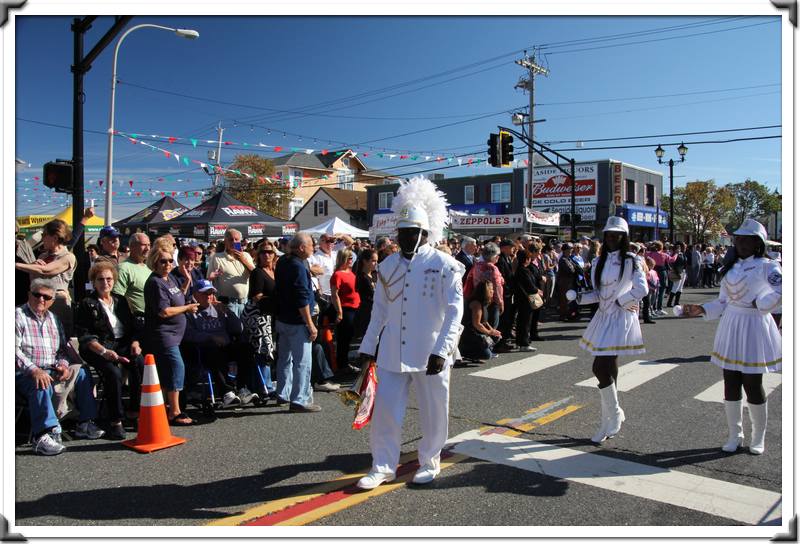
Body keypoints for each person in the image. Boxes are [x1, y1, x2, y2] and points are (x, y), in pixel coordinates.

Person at [356, 176, 464, 490]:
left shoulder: (445, 264)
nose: (406, 238)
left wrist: (443, 350)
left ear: (425, 233)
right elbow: (379, 311)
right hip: (392, 350)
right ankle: (382, 466)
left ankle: (430, 461)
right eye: (402, 232)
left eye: (412, 232)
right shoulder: (387, 266)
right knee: (386, 411)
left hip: (430, 351)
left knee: (433, 411)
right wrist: (368, 346)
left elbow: (455, 311)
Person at [681, 219, 781, 455]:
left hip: (754, 324)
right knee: (731, 381)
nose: (741, 243)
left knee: (753, 383)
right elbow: (723, 302)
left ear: (758, 243)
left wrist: (763, 303)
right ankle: (735, 435)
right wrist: (702, 309)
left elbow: (784, 288)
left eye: (747, 239)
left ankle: (758, 436)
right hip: (732, 324)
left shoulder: (768, 266)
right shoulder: (730, 267)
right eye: (739, 239)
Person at [574, 217, 647, 444]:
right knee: (607, 368)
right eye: (609, 234)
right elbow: (598, 293)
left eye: (617, 234)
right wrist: (578, 298)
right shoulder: (598, 261)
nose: (612, 238)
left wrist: (623, 301)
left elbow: (642, 288)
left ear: (624, 237)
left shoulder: (632, 260)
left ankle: (613, 415)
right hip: (603, 317)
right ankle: (611, 417)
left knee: (599, 367)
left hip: (619, 318)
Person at [16, 279, 105, 455]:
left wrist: (63, 365)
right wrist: (34, 370)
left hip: (51, 368)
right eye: (37, 294)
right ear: (29, 295)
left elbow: (63, 349)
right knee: (40, 382)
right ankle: (43, 434)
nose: (41, 299)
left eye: (46, 297)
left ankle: (85, 422)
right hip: (23, 372)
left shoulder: (53, 319)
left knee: (81, 372)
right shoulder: (17, 315)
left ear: (51, 301)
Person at [74, 261, 144, 440]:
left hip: (121, 343)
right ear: (94, 281)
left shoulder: (121, 301)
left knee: (139, 363)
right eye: (100, 279)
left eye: (109, 279)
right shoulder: (87, 303)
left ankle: (134, 411)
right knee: (113, 373)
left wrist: (135, 342)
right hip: (98, 347)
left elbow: (133, 327)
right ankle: (116, 420)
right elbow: (85, 336)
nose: (105, 283)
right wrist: (104, 351)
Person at [143, 245, 200, 426]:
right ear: (154, 262)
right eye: (163, 261)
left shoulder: (169, 279)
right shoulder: (155, 282)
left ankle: (169, 407)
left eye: (169, 260)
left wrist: (186, 282)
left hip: (176, 334)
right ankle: (174, 411)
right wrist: (187, 308)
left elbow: (178, 297)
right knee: (177, 368)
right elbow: (164, 311)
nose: (167, 264)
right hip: (164, 334)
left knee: (170, 372)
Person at [183, 279, 258, 407]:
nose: (209, 296)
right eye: (205, 293)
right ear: (195, 295)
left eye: (211, 293)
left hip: (226, 346)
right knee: (213, 352)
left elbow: (238, 328)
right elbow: (189, 335)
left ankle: (241, 389)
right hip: (205, 349)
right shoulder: (190, 312)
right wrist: (211, 337)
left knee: (246, 348)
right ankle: (227, 392)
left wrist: (228, 311)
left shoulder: (220, 309)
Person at [274, 233, 320, 413]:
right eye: (310, 245)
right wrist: (310, 324)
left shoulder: (283, 262)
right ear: (301, 247)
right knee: (302, 361)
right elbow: (302, 298)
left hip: (283, 318)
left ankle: (283, 393)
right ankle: (299, 399)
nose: (313, 247)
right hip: (297, 321)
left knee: (285, 358)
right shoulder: (298, 266)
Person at [15, 219, 77, 337]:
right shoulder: (43, 255)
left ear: (54, 237)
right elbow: (34, 280)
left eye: (44, 235)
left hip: (58, 303)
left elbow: (47, 270)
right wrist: (33, 265)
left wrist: (16, 265)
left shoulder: (68, 257)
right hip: (39, 303)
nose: (42, 238)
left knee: (59, 340)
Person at [243, 244, 278, 399]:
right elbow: (256, 296)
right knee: (262, 350)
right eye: (263, 252)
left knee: (269, 351)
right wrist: (276, 300)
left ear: (274, 254)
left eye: (270, 252)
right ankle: (265, 386)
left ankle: (266, 383)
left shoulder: (275, 271)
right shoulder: (257, 272)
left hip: (272, 315)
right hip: (259, 316)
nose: (266, 255)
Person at [207, 228, 255, 318]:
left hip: (245, 303)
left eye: (236, 239)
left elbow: (255, 275)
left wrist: (243, 260)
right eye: (230, 239)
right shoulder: (217, 257)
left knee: (244, 330)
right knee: (232, 331)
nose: (233, 242)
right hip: (227, 304)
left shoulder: (246, 256)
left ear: (240, 241)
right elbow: (209, 280)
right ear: (225, 241)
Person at [330, 248, 361, 372]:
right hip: (346, 309)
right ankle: (342, 364)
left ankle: (345, 363)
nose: (351, 260)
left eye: (351, 258)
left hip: (355, 308)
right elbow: (334, 295)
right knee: (344, 339)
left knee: (349, 337)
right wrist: (339, 312)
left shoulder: (351, 272)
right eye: (349, 258)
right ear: (343, 259)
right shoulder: (338, 274)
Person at [463, 243, 504, 329]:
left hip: (478, 298)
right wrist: (500, 302)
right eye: (497, 255)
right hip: (491, 301)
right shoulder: (493, 268)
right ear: (493, 256)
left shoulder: (477, 265)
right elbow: (497, 287)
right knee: (491, 326)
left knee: (481, 324)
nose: (498, 257)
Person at [459, 280, 502, 360]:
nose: (493, 291)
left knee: (497, 336)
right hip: (470, 334)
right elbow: (477, 324)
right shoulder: (476, 304)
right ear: (486, 291)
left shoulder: (483, 302)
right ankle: (466, 353)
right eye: (491, 289)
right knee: (487, 356)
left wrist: (492, 330)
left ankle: (483, 349)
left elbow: (484, 321)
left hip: (477, 333)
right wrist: (489, 332)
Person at [514, 249, 540, 352]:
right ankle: (524, 343)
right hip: (525, 299)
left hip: (522, 298)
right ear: (526, 259)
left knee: (522, 321)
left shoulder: (521, 269)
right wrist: (537, 290)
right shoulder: (523, 270)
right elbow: (530, 285)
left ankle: (520, 342)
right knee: (525, 322)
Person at [495, 240, 517, 351]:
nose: (513, 249)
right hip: (504, 294)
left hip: (508, 293)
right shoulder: (500, 259)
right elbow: (502, 278)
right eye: (511, 247)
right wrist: (508, 289)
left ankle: (504, 341)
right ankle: (500, 344)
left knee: (507, 319)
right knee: (503, 320)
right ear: (504, 248)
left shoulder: (507, 258)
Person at [354, 248, 378, 339]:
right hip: (367, 311)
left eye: (377, 261)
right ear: (365, 261)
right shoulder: (361, 277)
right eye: (373, 261)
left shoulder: (375, 274)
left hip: (376, 309)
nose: (376, 263)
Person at [666, 242, 687, 307]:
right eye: (677, 248)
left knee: (680, 288)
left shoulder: (682, 254)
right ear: (674, 249)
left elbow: (684, 263)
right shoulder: (674, 255)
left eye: (679, 248)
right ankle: (669, 303)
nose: (679, 249)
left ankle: (676, 302)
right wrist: (677, 272)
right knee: (675, 287)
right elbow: (673, 264)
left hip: (683, 271)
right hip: (677, 272)